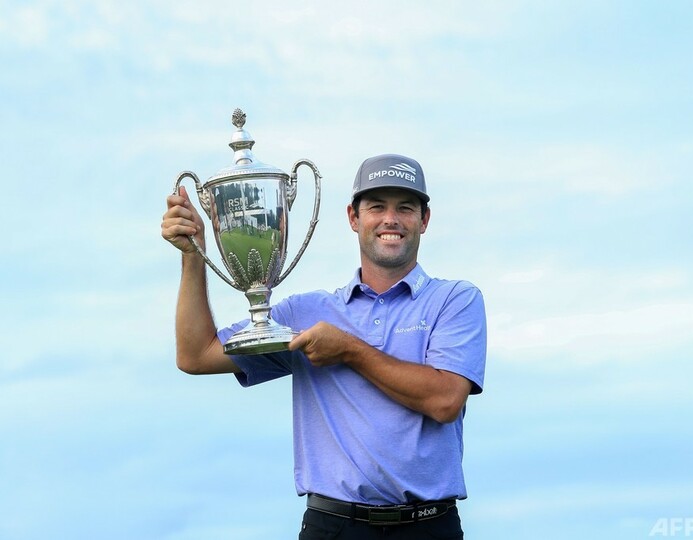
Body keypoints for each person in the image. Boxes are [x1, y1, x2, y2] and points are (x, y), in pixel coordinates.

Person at [161, 153, 487, 539]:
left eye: (405, 208)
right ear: (353, 218)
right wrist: (193, 255)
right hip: (332, 527)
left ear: (424, 220)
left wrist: (348, 350)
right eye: (376, 207)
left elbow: (445, 400)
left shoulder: (455, 300)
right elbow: (197, 355)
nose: (391, 219)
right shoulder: (307, 312)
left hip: (429, 527)